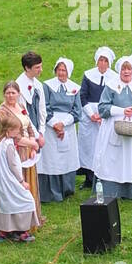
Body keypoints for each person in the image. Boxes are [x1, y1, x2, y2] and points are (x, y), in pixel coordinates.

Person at [95, 58, 132, 199]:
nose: (126, 72)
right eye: (123, 69)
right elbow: (102, 108)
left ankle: (131, 191)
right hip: (114, 128)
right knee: (114, 159)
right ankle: (112, 191)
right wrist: (121, 111)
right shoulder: (111, 86)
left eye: (129, 69)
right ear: (119, 71)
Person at [0, 116, 40, 241]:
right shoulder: (8, 145)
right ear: (9, 130)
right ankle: (20, 231)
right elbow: (13, 165)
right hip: (9, 179)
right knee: (26, 201)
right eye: (16, 130)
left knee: (7, 204)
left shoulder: (2, 143)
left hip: (2, 180)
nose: (18, 132)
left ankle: (5, 231)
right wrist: (21, 181)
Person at [0, 81, 43, 227]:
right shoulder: (2, 111)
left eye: (13, 92)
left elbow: (29, 126)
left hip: (28, 148)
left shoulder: (21, 106)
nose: (10, 95)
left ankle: (33, 218)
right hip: (15, 148)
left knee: (30, 180)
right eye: (8, 92)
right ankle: (18, 222)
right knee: (18, 182)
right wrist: (32, 144)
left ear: (18, 94)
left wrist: (33, 145)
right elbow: (12, 135)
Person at [38, 58, 83, 203]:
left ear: (68, 72)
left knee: (66, 158)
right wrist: (54, 124)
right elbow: (44, 107)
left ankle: (67, 189)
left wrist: (63, 124)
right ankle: (52, 192)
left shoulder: (74, 88)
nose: (61, 73)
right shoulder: (47, 86)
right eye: (59, 70)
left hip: (67, 127)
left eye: (64, 70)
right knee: (52, 159)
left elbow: (77, 111)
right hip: (51, 128)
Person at [78, 47, 117, 187]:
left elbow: (114, 98)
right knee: (89, 147)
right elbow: (82, 96)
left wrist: (102, 115)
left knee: (103, 146)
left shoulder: (114, 77)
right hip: (89, 115)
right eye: (100, 60)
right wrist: (91, 114)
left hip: (105, 115)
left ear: (109, 63)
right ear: (96, 61)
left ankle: (103, 177)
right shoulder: (88, 75)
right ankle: (89, 178)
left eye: (105, 60)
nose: (102, 63)